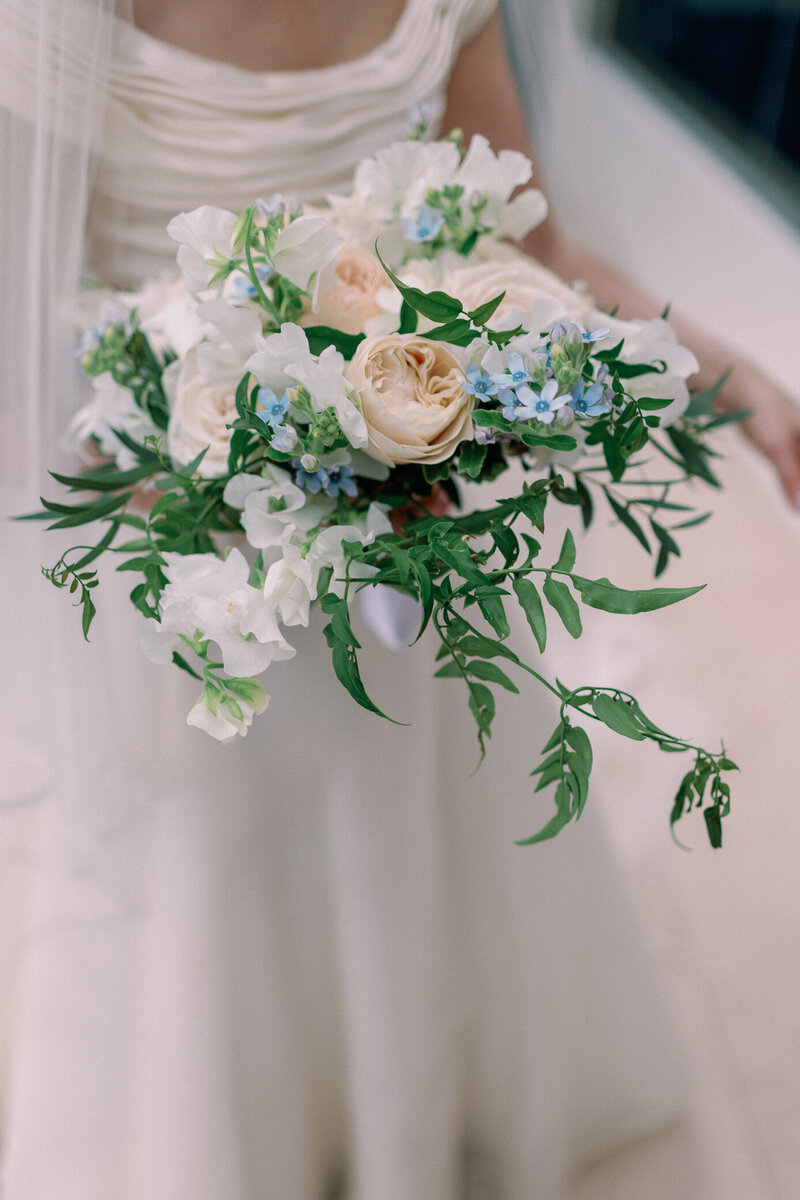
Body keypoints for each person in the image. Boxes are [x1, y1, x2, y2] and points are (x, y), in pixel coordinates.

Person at [0, 1, 793, 1197]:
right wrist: (217, 472)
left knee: (430, 820)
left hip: (413, 550)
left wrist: (705, 362)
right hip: (193, 583)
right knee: (226, 884)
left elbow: (536, 256)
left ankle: (425, 1104)